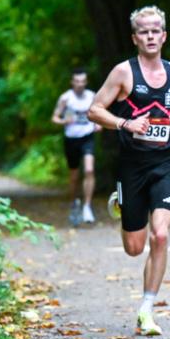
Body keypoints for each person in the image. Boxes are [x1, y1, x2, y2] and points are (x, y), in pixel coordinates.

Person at [88, 5, 170, 336]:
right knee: (134, 249)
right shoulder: (123, 72)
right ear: (135, 38)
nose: (150, 36)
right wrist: (126, 122)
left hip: (165, 163)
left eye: (155, 31)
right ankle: (122, 203)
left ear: (163, 36)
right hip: (132, 166)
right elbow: (94, 110)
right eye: (144, 31)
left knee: (160, 235)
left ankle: (147, 310)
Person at [52, 68, 101, 225]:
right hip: (71, 139)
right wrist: (63, 121)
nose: (80, 84)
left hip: (87, 137)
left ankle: (87, 206)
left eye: (82, 81)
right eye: (77, 81)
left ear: (86, 82)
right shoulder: (66, 98)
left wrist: (99, 125)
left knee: (89, 169)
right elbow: (54, 117)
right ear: (72, 82)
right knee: (74, 176)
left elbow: (100, 115)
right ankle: (74, 203)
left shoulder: (92, 96)